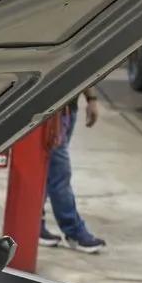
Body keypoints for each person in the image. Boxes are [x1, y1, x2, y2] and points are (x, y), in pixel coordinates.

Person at [40, 87, 105, 253]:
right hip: (53, 112)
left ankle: (35, 223)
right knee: (60, 175)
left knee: (49, 171)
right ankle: (74, 231)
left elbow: (84, 63)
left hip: (68, 110)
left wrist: (91, 99)